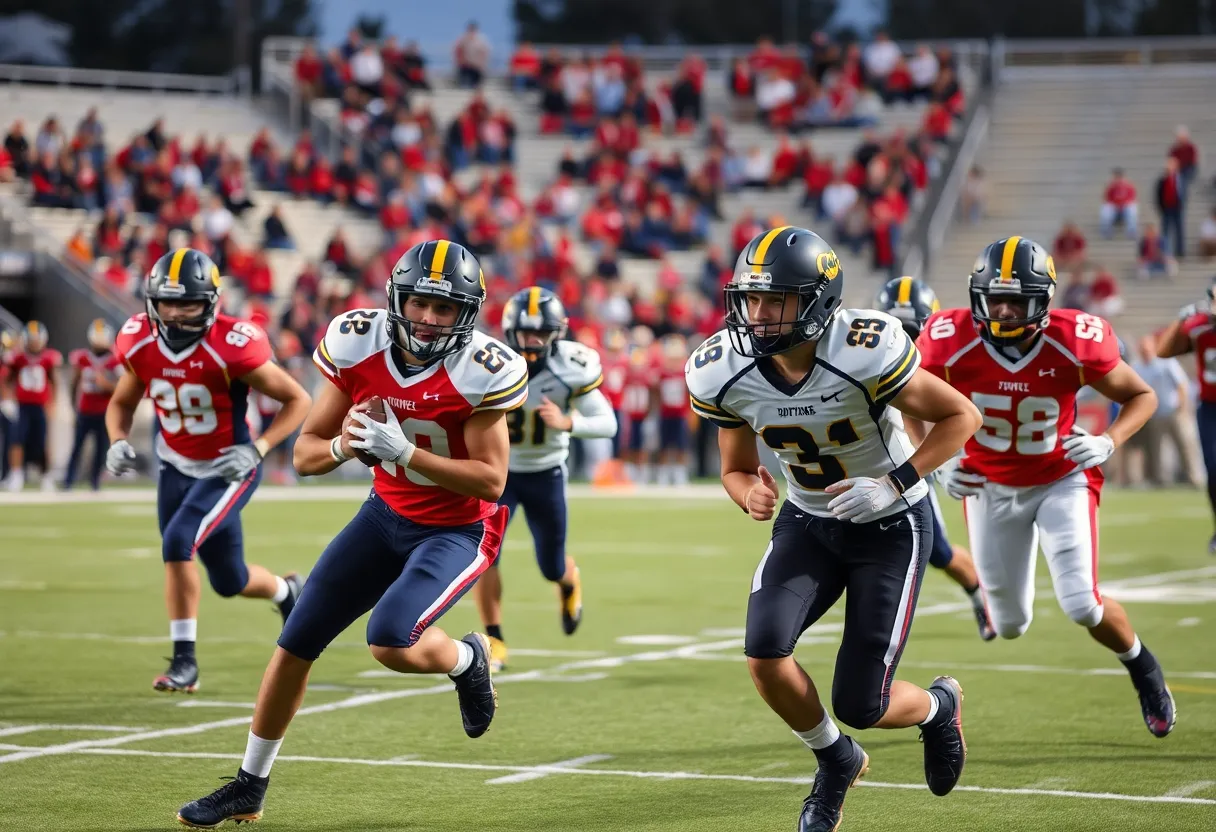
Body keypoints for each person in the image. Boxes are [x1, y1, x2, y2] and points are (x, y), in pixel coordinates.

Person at [176, 240, 528, 827]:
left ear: (468, 315)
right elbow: (308, 453)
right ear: (397, 299)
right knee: (296, 639)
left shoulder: (483, 369)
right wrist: (346, 444)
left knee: (389, 640)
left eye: (445, 310)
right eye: (419, 303)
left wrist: (408, 452)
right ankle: (248, 785)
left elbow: (491, 482)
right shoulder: (358, 343)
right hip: (383, 514)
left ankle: (468, 658)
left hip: (457, 530)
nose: (429, 319)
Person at [685, 227, 982, 832]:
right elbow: (735, 468)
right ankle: (834, 758)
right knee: (765, 651)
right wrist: (751, 495)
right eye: (751, 299)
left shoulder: (864, 348)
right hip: (809, 521)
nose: (758, 316)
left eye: (777, 301)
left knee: (862, 703)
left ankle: (937, 706)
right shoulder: (725, 370)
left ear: (818, 300)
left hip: (892, 525)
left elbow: (961, 416)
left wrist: (896, 481)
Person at [917, 236, 1175, 739]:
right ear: (978, 297)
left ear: (1044, 301)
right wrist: (936, 462)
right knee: (1010, 623)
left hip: (1061, 478)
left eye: (1018, 300)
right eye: (996, 299)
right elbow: (910, 400)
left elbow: (1140, 394)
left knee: (1081, 602)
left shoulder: (1075, 339)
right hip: (988, 485)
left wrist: (1109, 440)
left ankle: (1142, 666)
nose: (1006, 310)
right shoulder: (948, 339)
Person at [105, 248, 312, 694]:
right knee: (229, 579)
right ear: (151, 302)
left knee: (177, 542)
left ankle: (185, 663)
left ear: (211, 303)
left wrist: (258, 449)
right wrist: (117, 439)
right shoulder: (140, 342)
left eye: (188, 304)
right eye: (168, 303)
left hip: (227, 467)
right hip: (174, 466)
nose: (176, 314)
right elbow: (122, 401)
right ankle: (286, 591)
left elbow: (299, 400)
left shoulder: (232, 346)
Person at [474, 286, 617, 672]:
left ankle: (569, 581)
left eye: (541, 334)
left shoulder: (571, 367)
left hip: (546, 473)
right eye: (526, 334)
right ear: (509, 332)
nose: (533, 343)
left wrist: (568, 422)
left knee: (550, 566)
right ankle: (495, 639)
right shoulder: (489, 363)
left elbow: (608, 423)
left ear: (558, 334)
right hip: (497, 474)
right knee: (483, 558)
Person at [874, 276, 995, 641]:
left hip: (911, 466)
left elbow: (949, 413)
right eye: (898, 328)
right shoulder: (868, 352)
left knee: (939, 552)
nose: (907, 340)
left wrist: (930, 462)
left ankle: (980, 595)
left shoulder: (941, 357)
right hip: (875, 460)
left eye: (913, 330)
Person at [1156, 277, 1216, 550]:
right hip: (1210, 408)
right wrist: (1182, 321)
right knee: (1213, 470)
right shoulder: (1200, 327)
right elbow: (1163, 350)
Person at [63, 319, 122, 491]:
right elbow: (74, 383)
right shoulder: (82, 357)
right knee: (76, 447)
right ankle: (68, 481)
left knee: (100, 449)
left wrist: (106, 385)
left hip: (104, 411)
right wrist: (73, 406)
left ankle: (95, 482)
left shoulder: (115, 360)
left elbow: (121, 388)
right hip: (85, 409)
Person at [4, 321, 62, 492]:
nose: (34, 343)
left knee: (43, 442)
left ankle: (46, 476)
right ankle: (16, 475)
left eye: (37, 339)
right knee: (17, 440)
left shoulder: (49, 357)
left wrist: (53, 403)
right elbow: (7, 381)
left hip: (40, 405)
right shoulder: (18, 358)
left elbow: (54, 382)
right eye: (32, 339)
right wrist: (8, 400)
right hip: (22, 406)